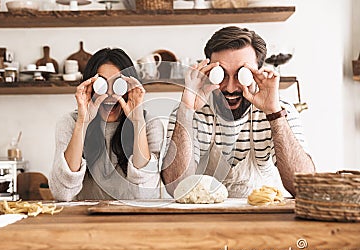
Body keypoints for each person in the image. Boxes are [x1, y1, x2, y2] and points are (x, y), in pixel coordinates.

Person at [162, 26, 315, 197]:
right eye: (222, 74)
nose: (230, 87)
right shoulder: (190, 112)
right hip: (206, 218)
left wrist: (274, 114)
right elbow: (176, 187)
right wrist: (187, 110)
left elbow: (303, 185)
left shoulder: (281, 111)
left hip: (266, 215)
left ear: (259, 72)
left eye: (243, 74)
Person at [49, 48, 164, 201]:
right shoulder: (70, 123)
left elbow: (146, 195)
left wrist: (137, 122)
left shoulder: (149, 124)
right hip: (85, 221)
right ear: (89, 88)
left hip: (135, 220)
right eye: (101, 85)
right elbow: (63, 193)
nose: (110, 94)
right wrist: (83, 123)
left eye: (118, 84)